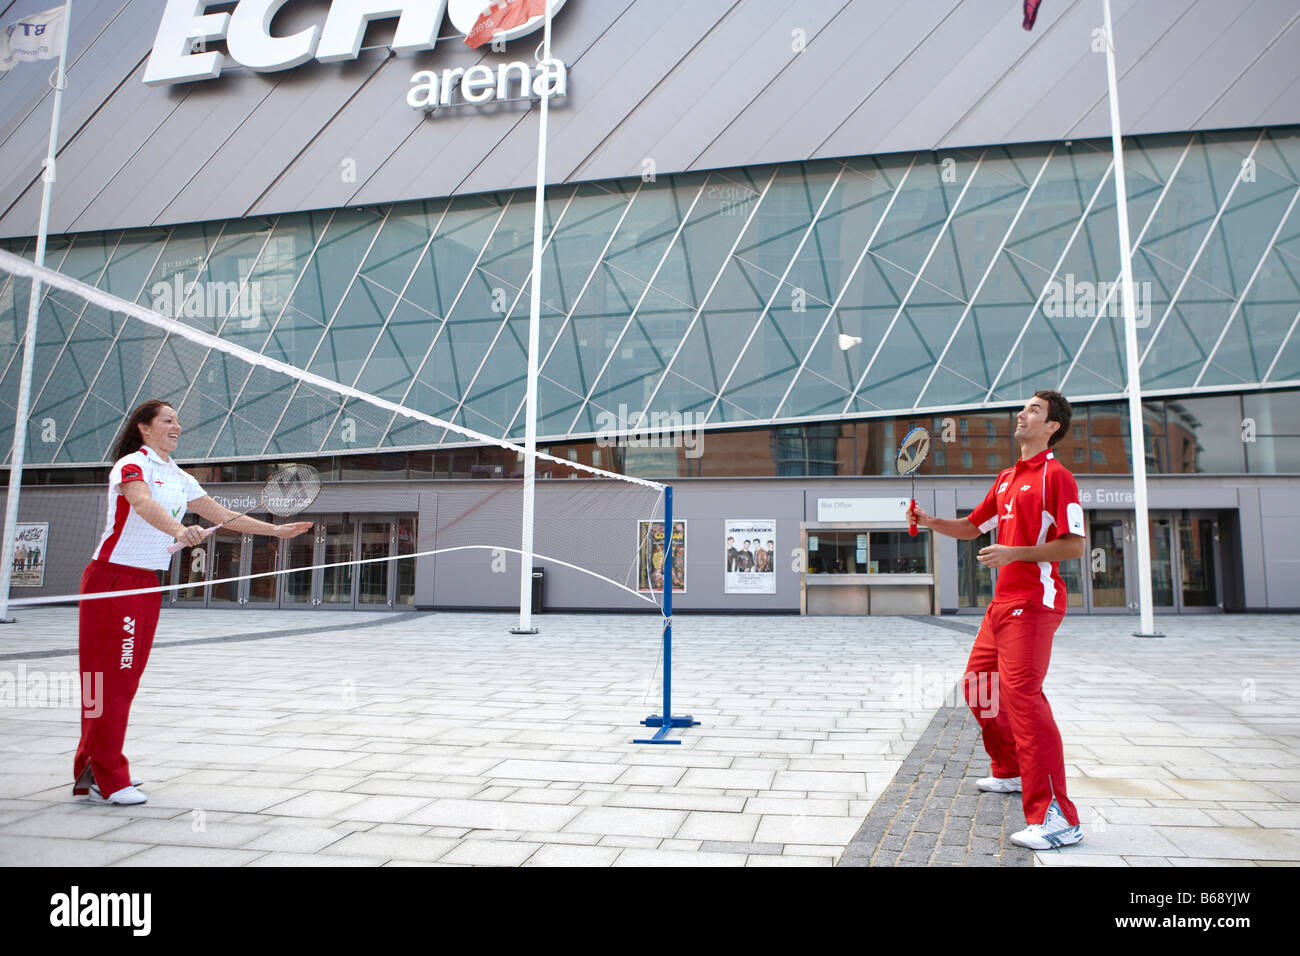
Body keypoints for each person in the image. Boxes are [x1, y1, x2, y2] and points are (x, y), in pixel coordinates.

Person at [73, 399, 312, 806]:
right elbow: (141, 502)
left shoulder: (179, 477)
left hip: (146, 583)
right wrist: (179, 530)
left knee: (120, 683)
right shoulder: (133, 464)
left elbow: (223, 515)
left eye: (178, 421)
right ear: (144, 428)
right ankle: (108, 776)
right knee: (108, 683)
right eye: (168, 420)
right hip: (113, 582)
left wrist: (277, 532)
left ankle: (92, 766)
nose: (177, 426)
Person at [907, 390, 1087, 850]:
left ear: (1052, 427)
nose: (1022, 414)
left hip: (1035, 602)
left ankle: (1058, 818)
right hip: (1001, 606)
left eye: (1034, 410)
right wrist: (928, 520)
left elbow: (1074, 546)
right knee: (978, 687)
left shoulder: (1056, 476)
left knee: (1023, 698)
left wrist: (1015, 553)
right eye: (1023, 408)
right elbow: (972, 526)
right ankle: (1009, 769)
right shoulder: (1007, 477)